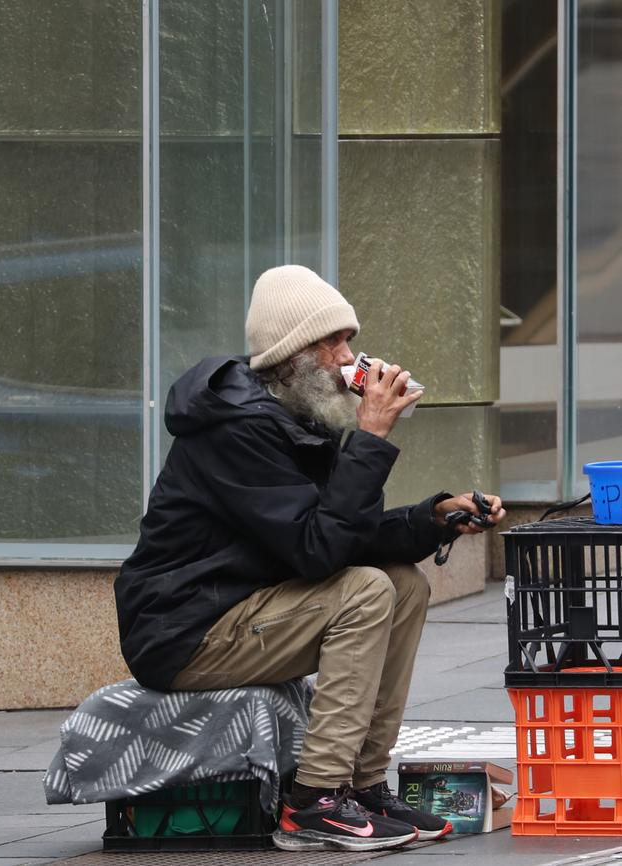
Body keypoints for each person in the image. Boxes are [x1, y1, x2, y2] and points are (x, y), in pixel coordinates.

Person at [114, 264, 506, 853]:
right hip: (184, 629)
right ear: (293, 354)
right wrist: (371, 438)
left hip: (247, 605)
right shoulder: (234, 431)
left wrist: (432, 516)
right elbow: (319, 550)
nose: (349, 355)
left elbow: (341, 534)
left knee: (403, 584)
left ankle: (365, 785)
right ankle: (315, 800)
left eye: (348, 338)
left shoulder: (297, 421)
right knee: (366, 591)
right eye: (333, 343)